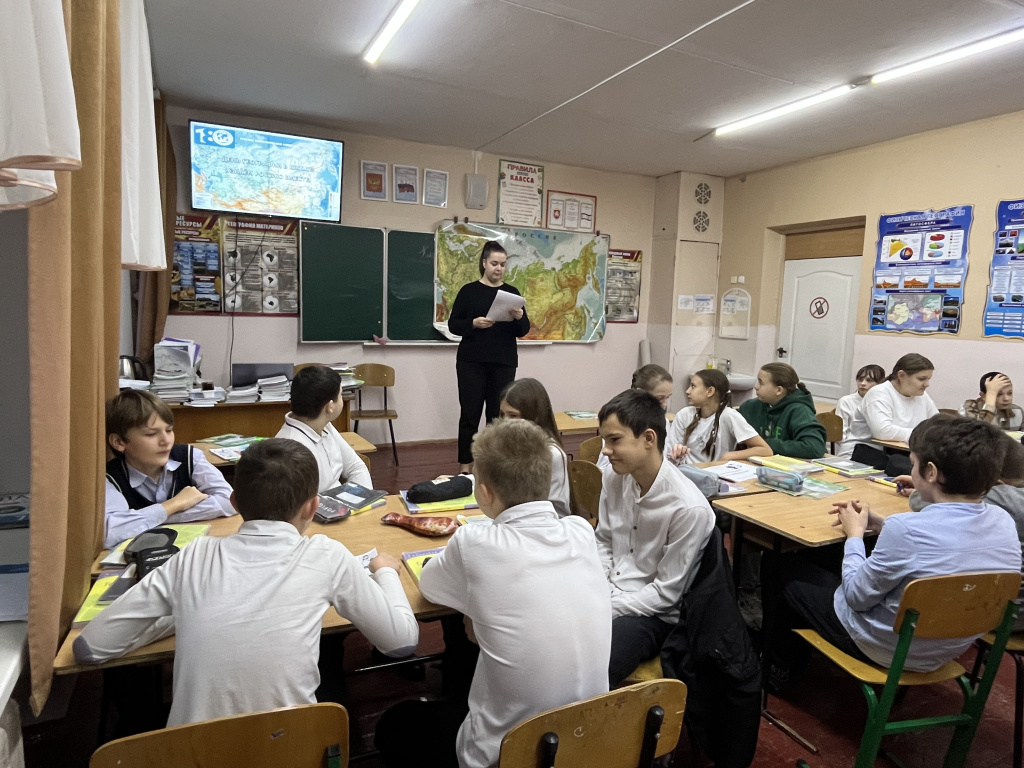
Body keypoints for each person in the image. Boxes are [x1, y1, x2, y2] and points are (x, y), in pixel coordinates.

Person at [76, 439, 419, 726]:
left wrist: (181, 613)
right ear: (313, 507)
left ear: (235, 502)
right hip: (291, 749)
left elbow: (89, 647)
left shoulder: (194, 556)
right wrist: (385, 571)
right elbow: (401, 642)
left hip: (192, 755)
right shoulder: (326, 555)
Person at [375, 419, 611, 768]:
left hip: (509, 755)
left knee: (393, 726)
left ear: (484, 493)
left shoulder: (475, 543)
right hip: (588, 743)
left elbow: (431, 586)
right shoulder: (580, 531)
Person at [771, 416, 1020, 683]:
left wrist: (854, 535)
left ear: (931, 472)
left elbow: (855, 597)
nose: (912, 470)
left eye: (913, 463)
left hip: (886, 648)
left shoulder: (905, 529)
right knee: (837, 563)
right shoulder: (1003, 521)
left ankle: (780, 670)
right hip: (947, 648)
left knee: (781, 564)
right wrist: (882, 525)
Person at [596, 389, 715, 687]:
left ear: (649, 438)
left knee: (596, 664)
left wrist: (606, 607)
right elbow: (604, 540)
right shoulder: (613, 478)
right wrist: (597, 587)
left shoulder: (687, 508)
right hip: (607, 592)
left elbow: (665, 594)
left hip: (651, 614)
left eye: (614, 440)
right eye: (604, 441)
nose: (606, 451)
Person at [900, 432, 1024, 631]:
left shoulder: (1002, 498)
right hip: (1008, 607)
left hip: (1000, 616)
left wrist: (929, 487)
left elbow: (918, 502)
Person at [104, 390, 236, 549]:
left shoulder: (190, 457)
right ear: (119, 442)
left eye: (169, 430)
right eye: (151, 434)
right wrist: (174, 504)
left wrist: (155, 517)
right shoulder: (110, 478)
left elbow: (229, 501)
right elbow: (109, 532)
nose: (166, 441)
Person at [448, 240, 531, 473]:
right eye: (495, 263)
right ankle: (466, 466)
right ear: (484, 263)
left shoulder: (512, 293)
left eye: (503, 264)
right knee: (470, 415)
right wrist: (473, 324)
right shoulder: (468, 291)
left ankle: (492, 465)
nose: (499, 268)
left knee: (498, 415)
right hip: (471, 362)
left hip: (503, 363)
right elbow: (454, 325)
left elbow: (523, 330)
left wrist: (519, 317)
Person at [275, 364, 372, 491]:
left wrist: (364, 498)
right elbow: (303, 502)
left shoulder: (324, 425)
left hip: (342, 500)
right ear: (330, 406)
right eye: (341, 395)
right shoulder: (291, 450)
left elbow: (356, 467)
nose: (342, 399)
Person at [842, 353, 938, 471]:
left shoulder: (921, 396)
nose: (927, 384)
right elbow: (883, 431)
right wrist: (921, 434)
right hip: (861, 459)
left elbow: (937, 425)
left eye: (928, 379)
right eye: (921, 379)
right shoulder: (879, 393)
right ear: (901, 375)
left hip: (899, 457)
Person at [665, 369, 772, 465]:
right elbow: (670, 454)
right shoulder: (684, 414)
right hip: (685, 472)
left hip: (714, 473)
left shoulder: (728, 416)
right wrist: (677, 453)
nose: (687, 391)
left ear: (710, 391)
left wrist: (730, 455)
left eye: (693, 386)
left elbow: (765, 449)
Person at [499, 378, 570, 517]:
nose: (505, 422)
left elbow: (551, 509)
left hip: (548, 522)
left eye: (513, 415)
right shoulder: (513, 442)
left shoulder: (550, 453)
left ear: (533, 416)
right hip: (518, 517)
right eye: (502, 415)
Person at [737, 362, 826, 459]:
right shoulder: (750, 406)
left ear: (779, 390)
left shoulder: (799, 411)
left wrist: (763, 445)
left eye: (761, 383)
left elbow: (814, 447)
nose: (756, 387)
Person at [595, 364, 673, 471]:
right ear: (640, 393)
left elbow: (663, 458)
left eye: (667, 398)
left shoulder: (664, 423)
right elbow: (602, 468)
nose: (664, 404)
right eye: (659, 399)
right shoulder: (621, 424)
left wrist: (676, 456)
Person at [834, 364, 886, 458]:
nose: (863, 383)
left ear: (880, 384)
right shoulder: (846, 401)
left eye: (869, 380)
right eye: (860, 379)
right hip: (851, 450)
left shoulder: (883, 402)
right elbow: (840, 435)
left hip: (877, 451)